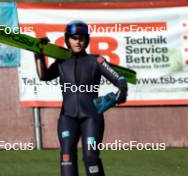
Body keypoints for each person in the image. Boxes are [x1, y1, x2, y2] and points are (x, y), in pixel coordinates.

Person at [34, 20, 128, 176]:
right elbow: (43, 76)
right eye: (74, 38)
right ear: (67, 39)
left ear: (87, 40)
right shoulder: (61, 61)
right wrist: (38, 53)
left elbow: (119, 78)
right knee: (66, 155)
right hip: (67, 117)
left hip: (91, 117)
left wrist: (122, 90)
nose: (78, 41)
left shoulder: (96, 60)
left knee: (90, 157)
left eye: (81, 38)